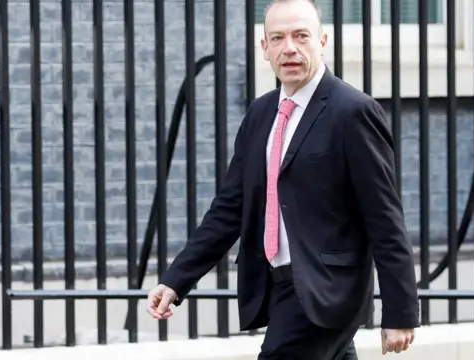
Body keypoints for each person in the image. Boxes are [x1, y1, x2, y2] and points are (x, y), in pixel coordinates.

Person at [146, 0, 420, 358]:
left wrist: (400, 312)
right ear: (265, 48)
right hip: (278, 287)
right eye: (277, 38)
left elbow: (385, 217)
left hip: (326, 290)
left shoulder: (352, 112)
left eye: (300, 36)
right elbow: (229, 209)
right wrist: (177, 279)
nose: (289, 47)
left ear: (321, 42)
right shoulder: (261, 114)